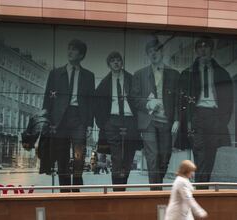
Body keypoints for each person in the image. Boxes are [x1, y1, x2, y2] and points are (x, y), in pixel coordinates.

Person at [40, 39, 95, 192]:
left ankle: (76, 184)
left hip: (79, 118)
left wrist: (90, 123)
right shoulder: (56, 73)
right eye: (69, 48)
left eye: (74, 49)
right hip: (60, 119)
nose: (70, 52)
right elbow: (47, 97)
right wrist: (46, 116)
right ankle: (64, 189)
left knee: (79, 154)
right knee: (62, 156)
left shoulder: (89, 76)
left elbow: (91, 102)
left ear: (81, 55)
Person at [178, 37, 234, 184]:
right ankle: (202, 189)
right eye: (200, 48)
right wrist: (186, 120)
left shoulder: (222, 73)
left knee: (211, 155)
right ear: (196, 51)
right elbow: (181, 100)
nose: (203, 50)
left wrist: (223, 121)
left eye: (206, 47)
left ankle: (203, 186)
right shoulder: (188, 73)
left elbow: (229, 100)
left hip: (215, 117)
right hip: (198, 115)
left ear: (211, 50)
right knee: (200, 154)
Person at [131, 38, 180, 189]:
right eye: (150, 51)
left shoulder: (174, 74)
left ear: (162, 52)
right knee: (152, 158)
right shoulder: (139, 74)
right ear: (147, 55)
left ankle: (156, 186)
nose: (153, 54)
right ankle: (155, 192)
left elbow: (179, 99)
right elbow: (133, 98)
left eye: (156, 50)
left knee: (164, 157)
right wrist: (147, 103)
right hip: (148, 122)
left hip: (167, 121)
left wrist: (177, 119)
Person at [95, 51, 142, 190]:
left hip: (130, 121)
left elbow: (139, 100)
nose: (116, 62)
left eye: (118, 60)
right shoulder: (104, 83)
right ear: (109, 64)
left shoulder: (132, 79)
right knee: (117, 157)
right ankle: (117, 189)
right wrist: (103, 123)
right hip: (113, 121)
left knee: (128, 156)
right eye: (112, 60)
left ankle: (123, 187)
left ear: (122, 63)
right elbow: (97, 105)